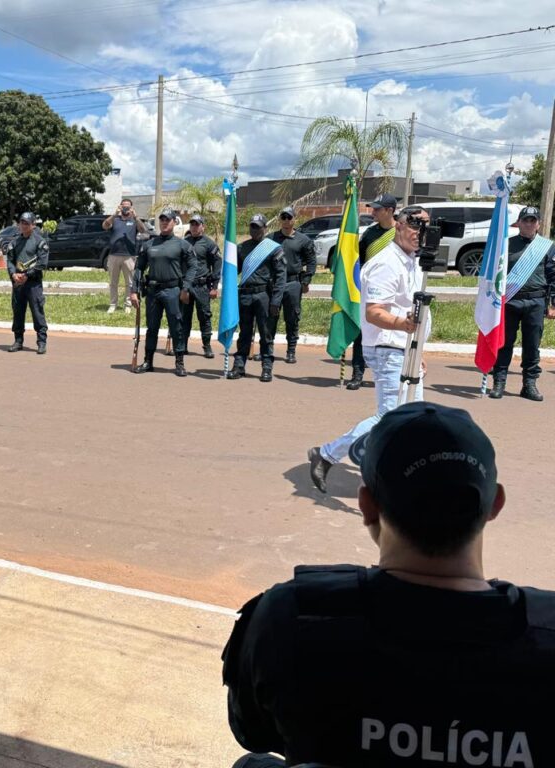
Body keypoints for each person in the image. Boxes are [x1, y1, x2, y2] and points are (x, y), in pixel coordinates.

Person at [224, 401, 555, 768]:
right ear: (495, 504)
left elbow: (252, 731)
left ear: (366, 505)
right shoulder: (545, 632)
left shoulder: (290, 615)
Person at [308, 207, 430, 493]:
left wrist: (417, 350)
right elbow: (374, 312)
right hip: (388, 348)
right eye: (414, 225)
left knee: (413, 419)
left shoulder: (412, 261)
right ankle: (326, 455)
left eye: (426, 226)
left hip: (405, 348)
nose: (420, 232)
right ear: (398, 225)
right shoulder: (386, 263)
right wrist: (403, 325)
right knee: (390, 417)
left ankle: (393, 475)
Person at [488, 205, 555, 401]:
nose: (529, 224)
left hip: (536, 301)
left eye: (533, 220)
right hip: (511, 301)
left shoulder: (547, 246)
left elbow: (553, 276)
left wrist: (553, 304)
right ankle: (499, 382)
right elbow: (496, 273)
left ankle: (529, 385)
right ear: (519, 223)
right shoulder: (507, 244)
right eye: (525, 220)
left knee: (532, 345)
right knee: (504, 343)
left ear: (538, 224)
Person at [129, 207, 198, 377]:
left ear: (174, 222)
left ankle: (179, 363)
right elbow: (139, 268)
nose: (164, 222)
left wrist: (186, 288)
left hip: (173, 291)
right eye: (162, 220)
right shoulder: (149, 244)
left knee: (176, 328)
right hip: (153, 292)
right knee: (152, 328)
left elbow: (193, 266)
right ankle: (148, 361)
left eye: (168, 220)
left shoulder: (182, 244)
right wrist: (134, 291)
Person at [347, 193, 398, 390]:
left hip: (393, 292)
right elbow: (358, 260)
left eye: (377, 209)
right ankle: (357, 373)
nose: (373, 212)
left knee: (391, 334)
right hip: (370, 291)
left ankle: (388, 374)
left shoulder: (400, 233)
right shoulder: (369, 234)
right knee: (362, 334)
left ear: (390, 211)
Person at [227, 214, 285, 382]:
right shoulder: (241, 248)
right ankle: (239, 366)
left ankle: (266, 367)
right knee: (244, 333)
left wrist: (276, 301)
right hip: (245, 295)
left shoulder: (273, 248)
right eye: (252, 226)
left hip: (264, 296)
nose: (255, 230)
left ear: (265, 228)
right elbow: (232, 272)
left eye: (258, 227)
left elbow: (281, 276)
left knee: (266, 334)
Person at [268, 207, 315, 364]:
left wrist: (306, 281)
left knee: (292, 318)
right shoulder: (271, 238)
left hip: (293, 283)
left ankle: (291, 351)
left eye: (289, 217)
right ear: (280, 219)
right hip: (274, 283)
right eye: (283, 217)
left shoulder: (304, 240)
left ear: (295, 219)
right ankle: (267, 350)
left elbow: (311, 261)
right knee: (270, 317)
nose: (286, 220)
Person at [6, 211, 50, 354]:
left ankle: (41, 342)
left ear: (33, 225)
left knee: (37, 312)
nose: (24, 225)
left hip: (33, 283)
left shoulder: (40, 241)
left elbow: (42, 263)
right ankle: (18, 340)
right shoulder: (14, 242)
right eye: (22, 222)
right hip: (18, 283)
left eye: (27, 223)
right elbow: (10, 260)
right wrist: (13, 274)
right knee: (18, 312)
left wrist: (27, 275)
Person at [181, 214, 222, 358]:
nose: (194, 227)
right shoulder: (184, 242)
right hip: (186, 286)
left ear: (203, 227)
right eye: (192, 224)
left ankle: (207, 346)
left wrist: (214, 287)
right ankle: (182, 345)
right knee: (184, 317)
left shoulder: (209, 243)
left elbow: (217, 264)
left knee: (204, 317)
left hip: (202, 286)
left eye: (197, 224)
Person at [102, 198, 144, 314]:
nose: (125, 208)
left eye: (128, 206)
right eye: (123, 206)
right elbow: (104, 226)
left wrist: (136, 217)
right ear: (120, 206)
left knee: (129, 283)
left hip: (129, 256)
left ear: (131, 208)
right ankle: (113, 305)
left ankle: (128, 304)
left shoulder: (134, 220)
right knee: (113, 282)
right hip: (114, 255)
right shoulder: (115, 219)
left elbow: (142, 230)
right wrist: (114, 214)